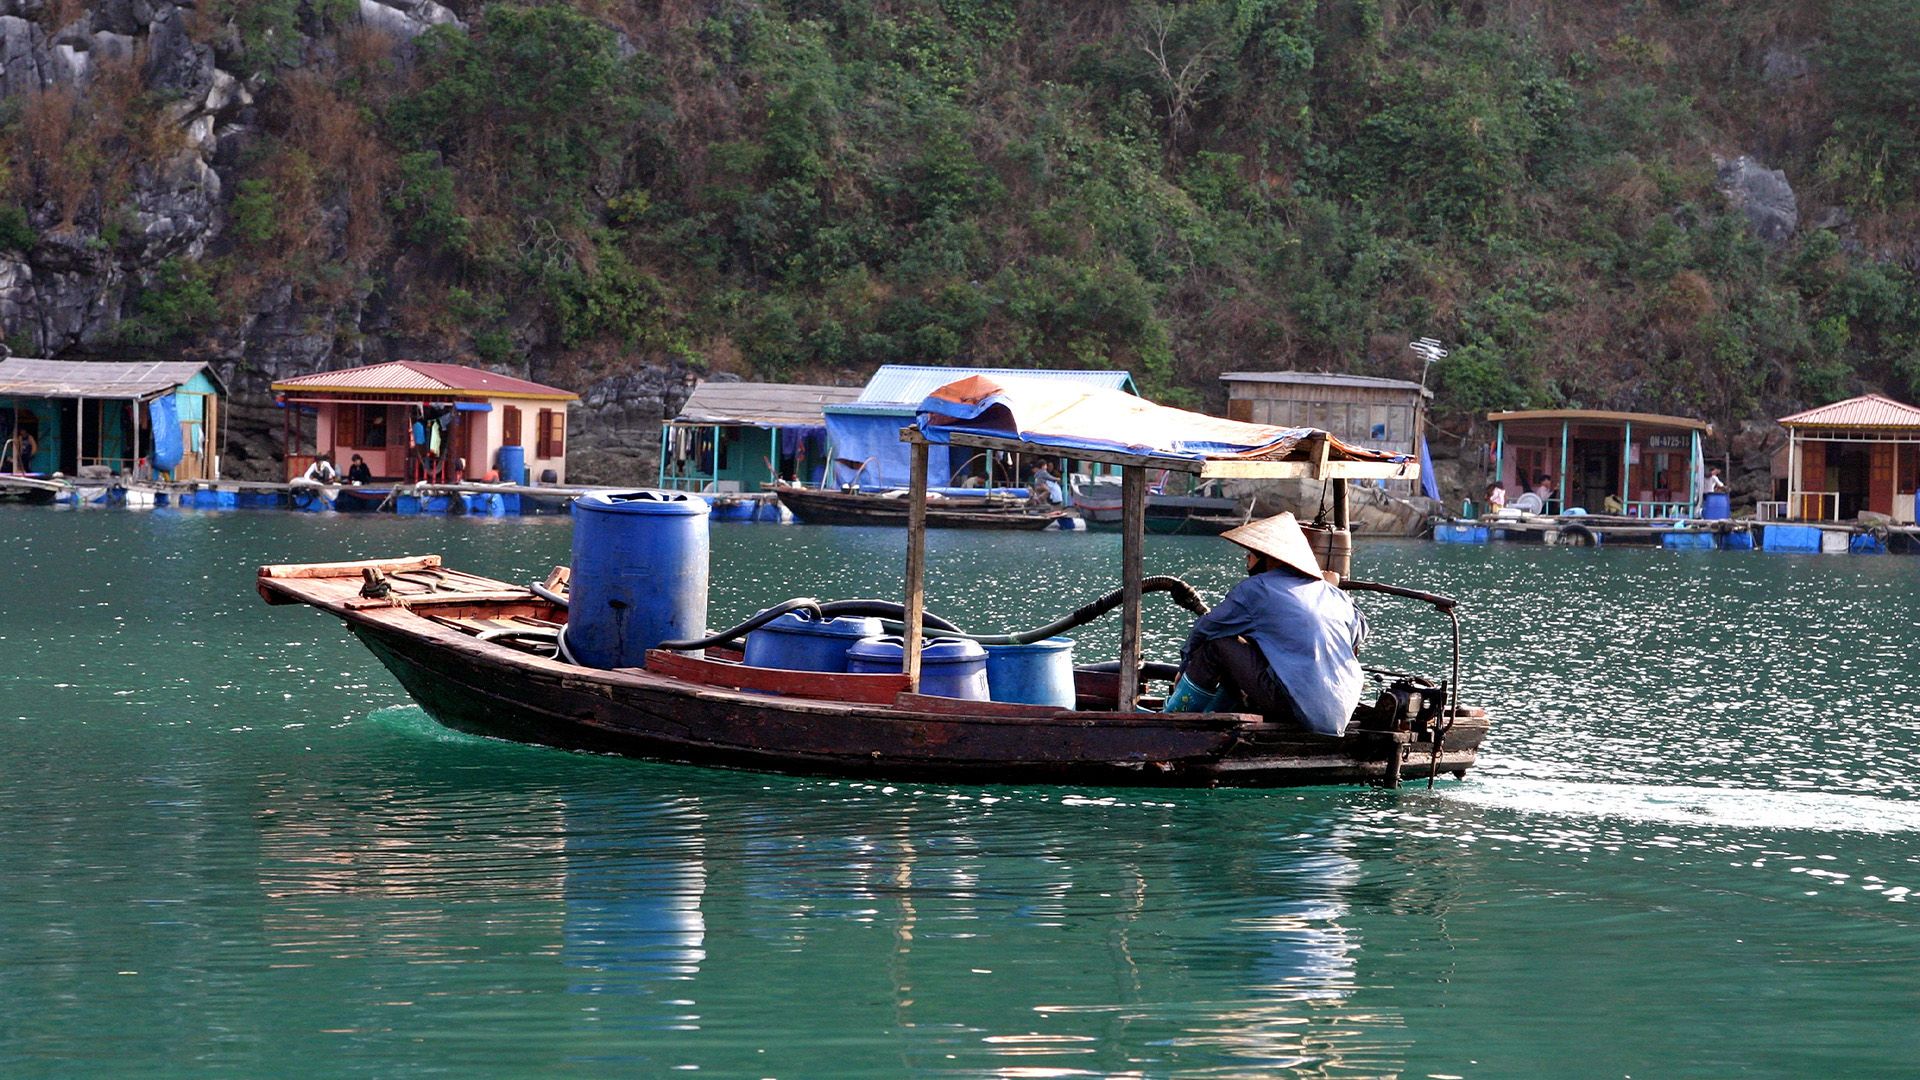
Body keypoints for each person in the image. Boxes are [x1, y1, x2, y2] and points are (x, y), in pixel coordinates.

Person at [1174, 513, 1369, 736]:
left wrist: (1184, 667)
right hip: (1341, 712)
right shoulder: (1335, 595)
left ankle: (1172, 722)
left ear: (1272, 559)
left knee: (1216, 645)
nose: (1246, 559)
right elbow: (1359, 631)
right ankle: (1214, 714)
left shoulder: (1256, 589)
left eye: (1252, 554)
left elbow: (1206, 627)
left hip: (1294, 706)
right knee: (1248, 644)